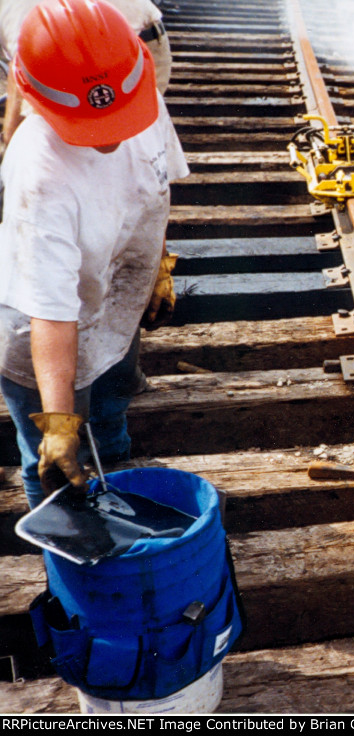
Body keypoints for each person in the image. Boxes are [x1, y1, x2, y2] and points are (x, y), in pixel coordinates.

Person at [0, 0, 188, 508]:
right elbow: (52, 309)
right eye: (91, 124)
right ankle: (71, 562)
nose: (110, 135)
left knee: (112, 398)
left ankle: (119, 475)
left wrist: (159, 267)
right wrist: (59, 423)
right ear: (37, 100)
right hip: (47, 340)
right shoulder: (39, 173)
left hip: (113, 301)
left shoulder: (140, 94)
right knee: (57, 464)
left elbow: (156, 186)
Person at [0, 0, 171, 147]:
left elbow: (21, 71)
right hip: (64, 48)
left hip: (133, 44)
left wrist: (10, 140)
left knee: (127, 141)